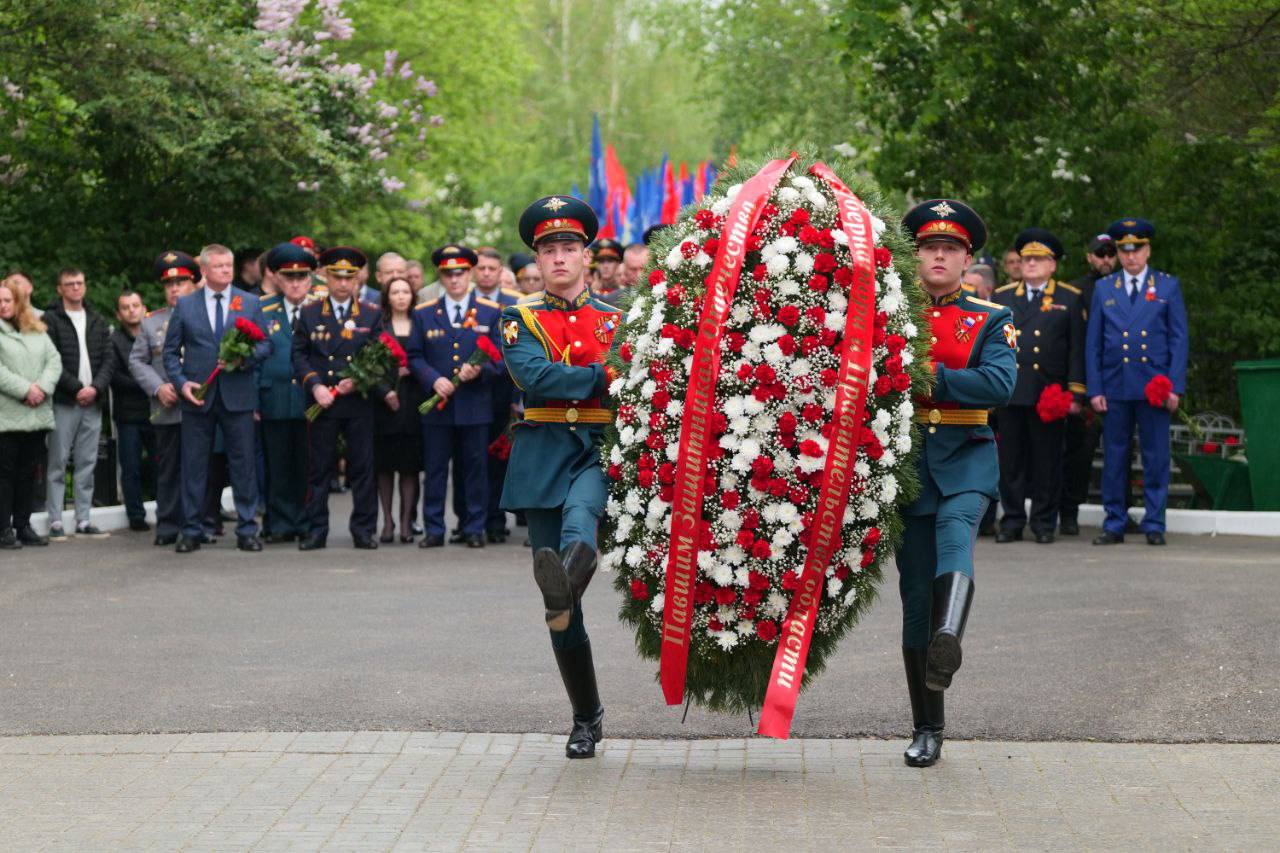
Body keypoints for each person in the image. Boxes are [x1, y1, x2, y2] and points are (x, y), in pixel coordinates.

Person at [500, 195, 622, 758]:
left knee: (584, 516)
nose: (558, 257)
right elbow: (532, 377)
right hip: (543, 452)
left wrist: (578, 379)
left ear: (586, 255)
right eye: (549, 249)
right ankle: (586, 715)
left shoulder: (619, 319)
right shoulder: (518, 317)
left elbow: (627, 378)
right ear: (537, 258)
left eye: (568, 247)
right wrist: (599, 375)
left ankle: (573, 569)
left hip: (596, 446)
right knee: (560, 611)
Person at [896, 199, 1016, 767]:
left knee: (956, 537)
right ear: (916, 255)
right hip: (909, 464)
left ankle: (949, 640)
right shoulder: (892, 315)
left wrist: (933, 377)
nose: (939, 255)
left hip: (967, 457)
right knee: (915, 597)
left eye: (951, 248)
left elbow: (998, 384)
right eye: (930, 247)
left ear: (968, 258)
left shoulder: (990, 317)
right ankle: (927, 725)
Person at [163, 244, 271, 553]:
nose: (226, 270)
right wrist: (182, 384)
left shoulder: (249, 302)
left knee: (244, 464)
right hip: (198, 397)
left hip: (238, 395)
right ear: (205, 271)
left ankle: (248, 529)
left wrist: (243, 359)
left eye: (229, 265)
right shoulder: (186, 305)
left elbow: (265, 346)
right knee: (194, 465)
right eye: (219, 266)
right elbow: (170, 353)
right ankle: (191, 529)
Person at [1087, 218, 1188, 547]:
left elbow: (1178, 340)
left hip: (1153, 385)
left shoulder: (1167, 286)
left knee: (1156, 456)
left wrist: (1174, 386)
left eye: (1137, 249)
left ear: (1148, 250)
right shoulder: (1105, 288)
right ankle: (1114, 521)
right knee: (1115, 457)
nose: (1131, 256)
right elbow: (1094, 343)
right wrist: (1096, 388)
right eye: (1124, 250)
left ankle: (1154, 522)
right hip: (1116, 384)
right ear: (1117, 252)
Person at [991, 230, 1085, 544]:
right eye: (1026, 258)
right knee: (1011, 461)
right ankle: (1013, 520)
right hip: (1013, 389)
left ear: (1052, 265)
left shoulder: (1069, 298)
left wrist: (1075, 392)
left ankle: (1044, 522)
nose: (1030, 263)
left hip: (1049, 393)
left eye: (1038, 258)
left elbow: (1076, 349)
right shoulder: (1003, 297)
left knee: (1047, 462)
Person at [406, 244, 503, 549]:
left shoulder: (491, 311)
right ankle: (434, 528)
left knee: (475, 468)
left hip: (475, 404)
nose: (455, 279)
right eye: (448, 273)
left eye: (460, 272)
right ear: (441, 276)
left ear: (470, 273)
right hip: (439, 405)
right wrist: (434, 380)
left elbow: (502, 358)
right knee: (435, 469)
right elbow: (414, 356)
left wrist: (482, 371)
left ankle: (475, 526)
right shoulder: (424, 313)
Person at [292, 246, 384, 550]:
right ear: (326, 277)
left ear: (356, 279)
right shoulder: (309, 311)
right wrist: (315, 385)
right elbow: (299, 354)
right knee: (319, 468)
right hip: (323, 400)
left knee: (363, 466)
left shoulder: (370, 313)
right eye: (336, 277)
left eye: (349, 277)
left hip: (356, 402)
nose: (343, 283)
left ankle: (363, 529)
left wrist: (357, 380)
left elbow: (379, 356)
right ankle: (317, 530)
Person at [130, 252, 197, 546]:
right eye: (169, 284)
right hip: (167, 406)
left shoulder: (204, 316)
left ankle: (200, 522)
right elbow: (137, 361)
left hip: (199, 405)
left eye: (181, 281)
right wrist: (158, 388)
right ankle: (168, 524)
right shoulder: (150, 323)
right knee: (168, 467)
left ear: (192, 283)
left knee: (200, 467)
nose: (174, 288)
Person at [43, 267, 113, 540]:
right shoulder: (51, 320)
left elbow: (109, 360)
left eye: (79, 283)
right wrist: (76, 389)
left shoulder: (96, 319)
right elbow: (51, 361)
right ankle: (56, 520)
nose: (75, 288)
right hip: (64, 401)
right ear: (59, 289)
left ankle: (83, 519)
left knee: (87, 462)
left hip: (93, 403)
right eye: (69, 284)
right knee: (57, 462)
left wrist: (95, 388)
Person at [1059, 234, 1120, 534]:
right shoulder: (1075, 291)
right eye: (1100, 254)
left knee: (1120, 452)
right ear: (1089, 257)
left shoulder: (1124, 288)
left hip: (1118, 381)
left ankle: (1120, 511)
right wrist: (1077, 388)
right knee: (1078, 452)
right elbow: (1075, 343)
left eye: (1111, 253)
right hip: (1084, 383)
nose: (1106, 259)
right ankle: (1069, 511)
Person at [460, 246, 520, 542]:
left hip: (502, 393)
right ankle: (468, 520)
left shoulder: (515, 304)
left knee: (498, 458)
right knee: (468, 459)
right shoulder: (464, 303)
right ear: (473, 272)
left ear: (500, 273)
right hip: (470, 393)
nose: (485, 273)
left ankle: (495, 521)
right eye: (480, 268)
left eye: (491, 269)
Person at [257, 244, 314, 544]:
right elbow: (253, 358)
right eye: (288, 277)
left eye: (301, 276)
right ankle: (278, 522)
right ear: (277, 278)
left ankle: (305, 521)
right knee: (276, 464)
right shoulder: (262, 309)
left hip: (310, 400)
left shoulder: (322, 309)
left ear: (310, 279)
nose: (295, 283)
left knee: (306, 465)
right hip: (274, 397)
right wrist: (254, 399)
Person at [0, 278, 60, 548]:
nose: (2, 306)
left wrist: (43, 388)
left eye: (7, 300)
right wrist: (27, 390)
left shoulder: (36, 329)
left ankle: (23, 525)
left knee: (28, 474)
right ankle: (3, 529)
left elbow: (54, 360)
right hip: (7, 416)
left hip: (36, 416)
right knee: (5, 476)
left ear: (18, 302)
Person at [374, 277, 425, 543]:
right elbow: (368, 361)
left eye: (406, 291)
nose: (401, 296)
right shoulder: (378, 324)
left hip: (414, 400)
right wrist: (385, 388)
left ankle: (407, 521)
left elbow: (428, 358)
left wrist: (413, 370)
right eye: (395, 292)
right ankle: (387, 522)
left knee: (409, 467)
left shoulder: (421, 322)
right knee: (384, 466)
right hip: (385, 402)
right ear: (387, 296)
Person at [108, 289, 156, 533]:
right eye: (125, 307)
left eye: (135, 305)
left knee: (162, 463)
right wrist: (150, 383)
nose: (131, 310)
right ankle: (135, 514)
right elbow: (115, 376)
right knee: (131, 467)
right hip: (128, 413)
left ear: (143, 307)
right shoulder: (114, 340)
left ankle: (166, 508)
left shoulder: (154, 334)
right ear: (119, 313)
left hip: (157, 410)